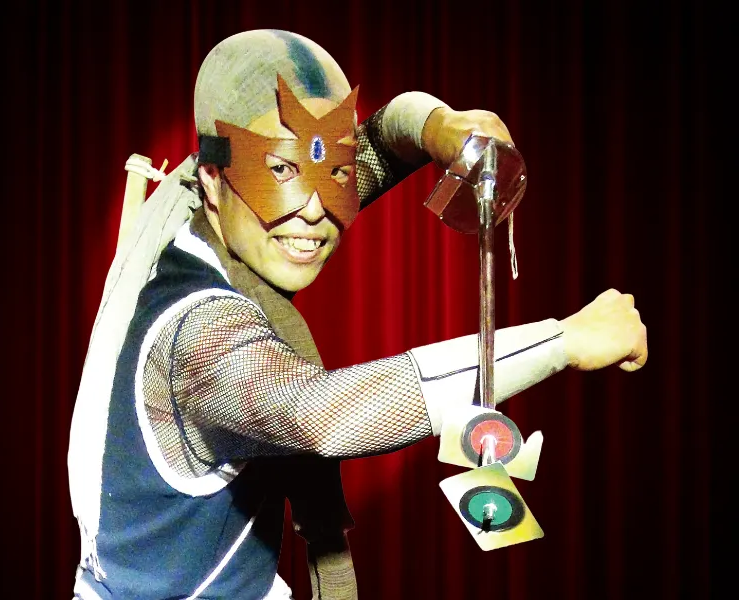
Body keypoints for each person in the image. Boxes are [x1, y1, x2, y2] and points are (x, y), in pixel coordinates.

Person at [68, 29, 647, 600]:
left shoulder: (204, 222)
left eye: (337, 175)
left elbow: (381, 141)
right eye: (280, 172)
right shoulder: (197, 331)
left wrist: (438, 125)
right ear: (214, 180)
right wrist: (564, 341)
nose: (313, 214)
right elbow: (321, 415)